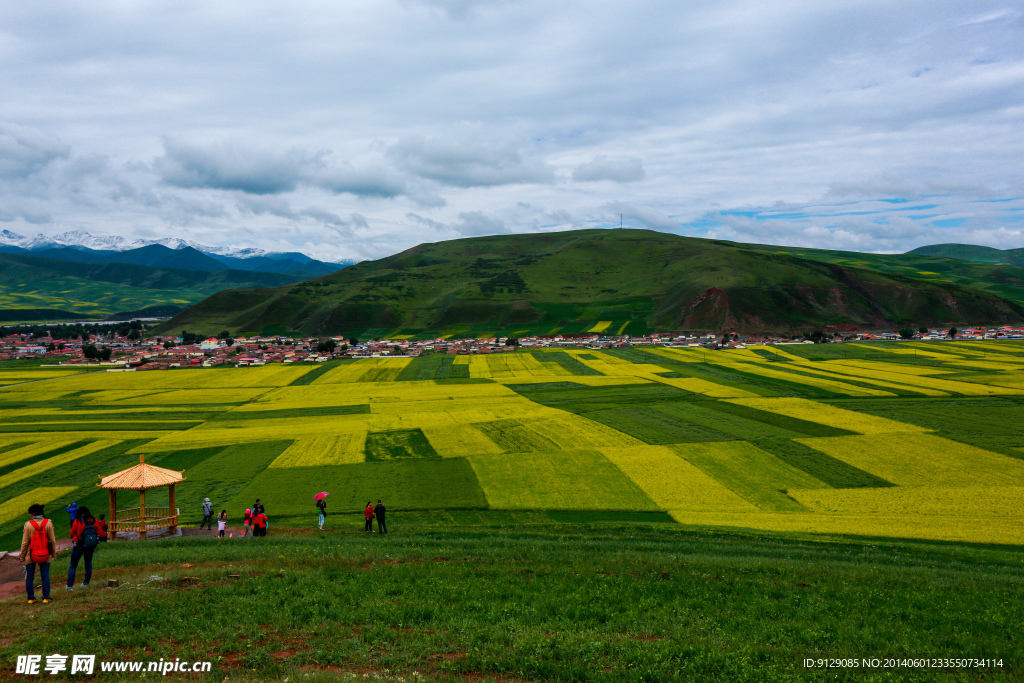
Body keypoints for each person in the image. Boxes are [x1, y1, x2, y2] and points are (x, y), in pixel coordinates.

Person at [20, 503, 56, 604]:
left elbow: (25, 542)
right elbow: (52, 540)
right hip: (45, 553)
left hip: (30, 554)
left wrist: (22, 556)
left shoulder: (28, 524)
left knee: (30, 576)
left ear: (34, 513)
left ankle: (31, 598)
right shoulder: (48, 523)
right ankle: (46, 597)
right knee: (45, 575)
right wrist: (53, 554)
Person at [67, 506, 99, 590]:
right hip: (90, 545)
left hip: (78, 545)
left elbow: (71, 533)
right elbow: (97, 532)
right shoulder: (94, 520)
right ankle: (86, 583)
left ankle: (70, 586)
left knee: (73, 566)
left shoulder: (77, 521)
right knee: (88, 564)